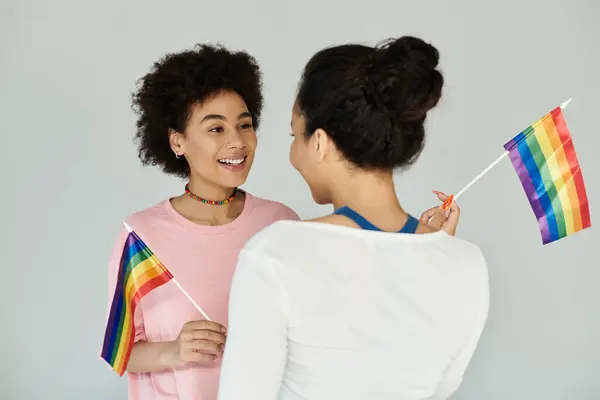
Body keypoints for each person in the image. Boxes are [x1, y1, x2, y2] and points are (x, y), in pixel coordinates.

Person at [101, 43, 459, 400]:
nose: (237, 142)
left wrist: (423, 247)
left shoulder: (280, 224)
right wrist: (173, 351)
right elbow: (120, 349)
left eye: (245, 125)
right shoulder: (141, 235)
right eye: (216, 129)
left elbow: (338, 321)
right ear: (178, 141)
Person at [218, 36, 489, 400]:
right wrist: (433, 253)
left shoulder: (275, 254)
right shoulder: (466, 263)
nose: (293, 154)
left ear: (319, 143)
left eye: (294, 136)